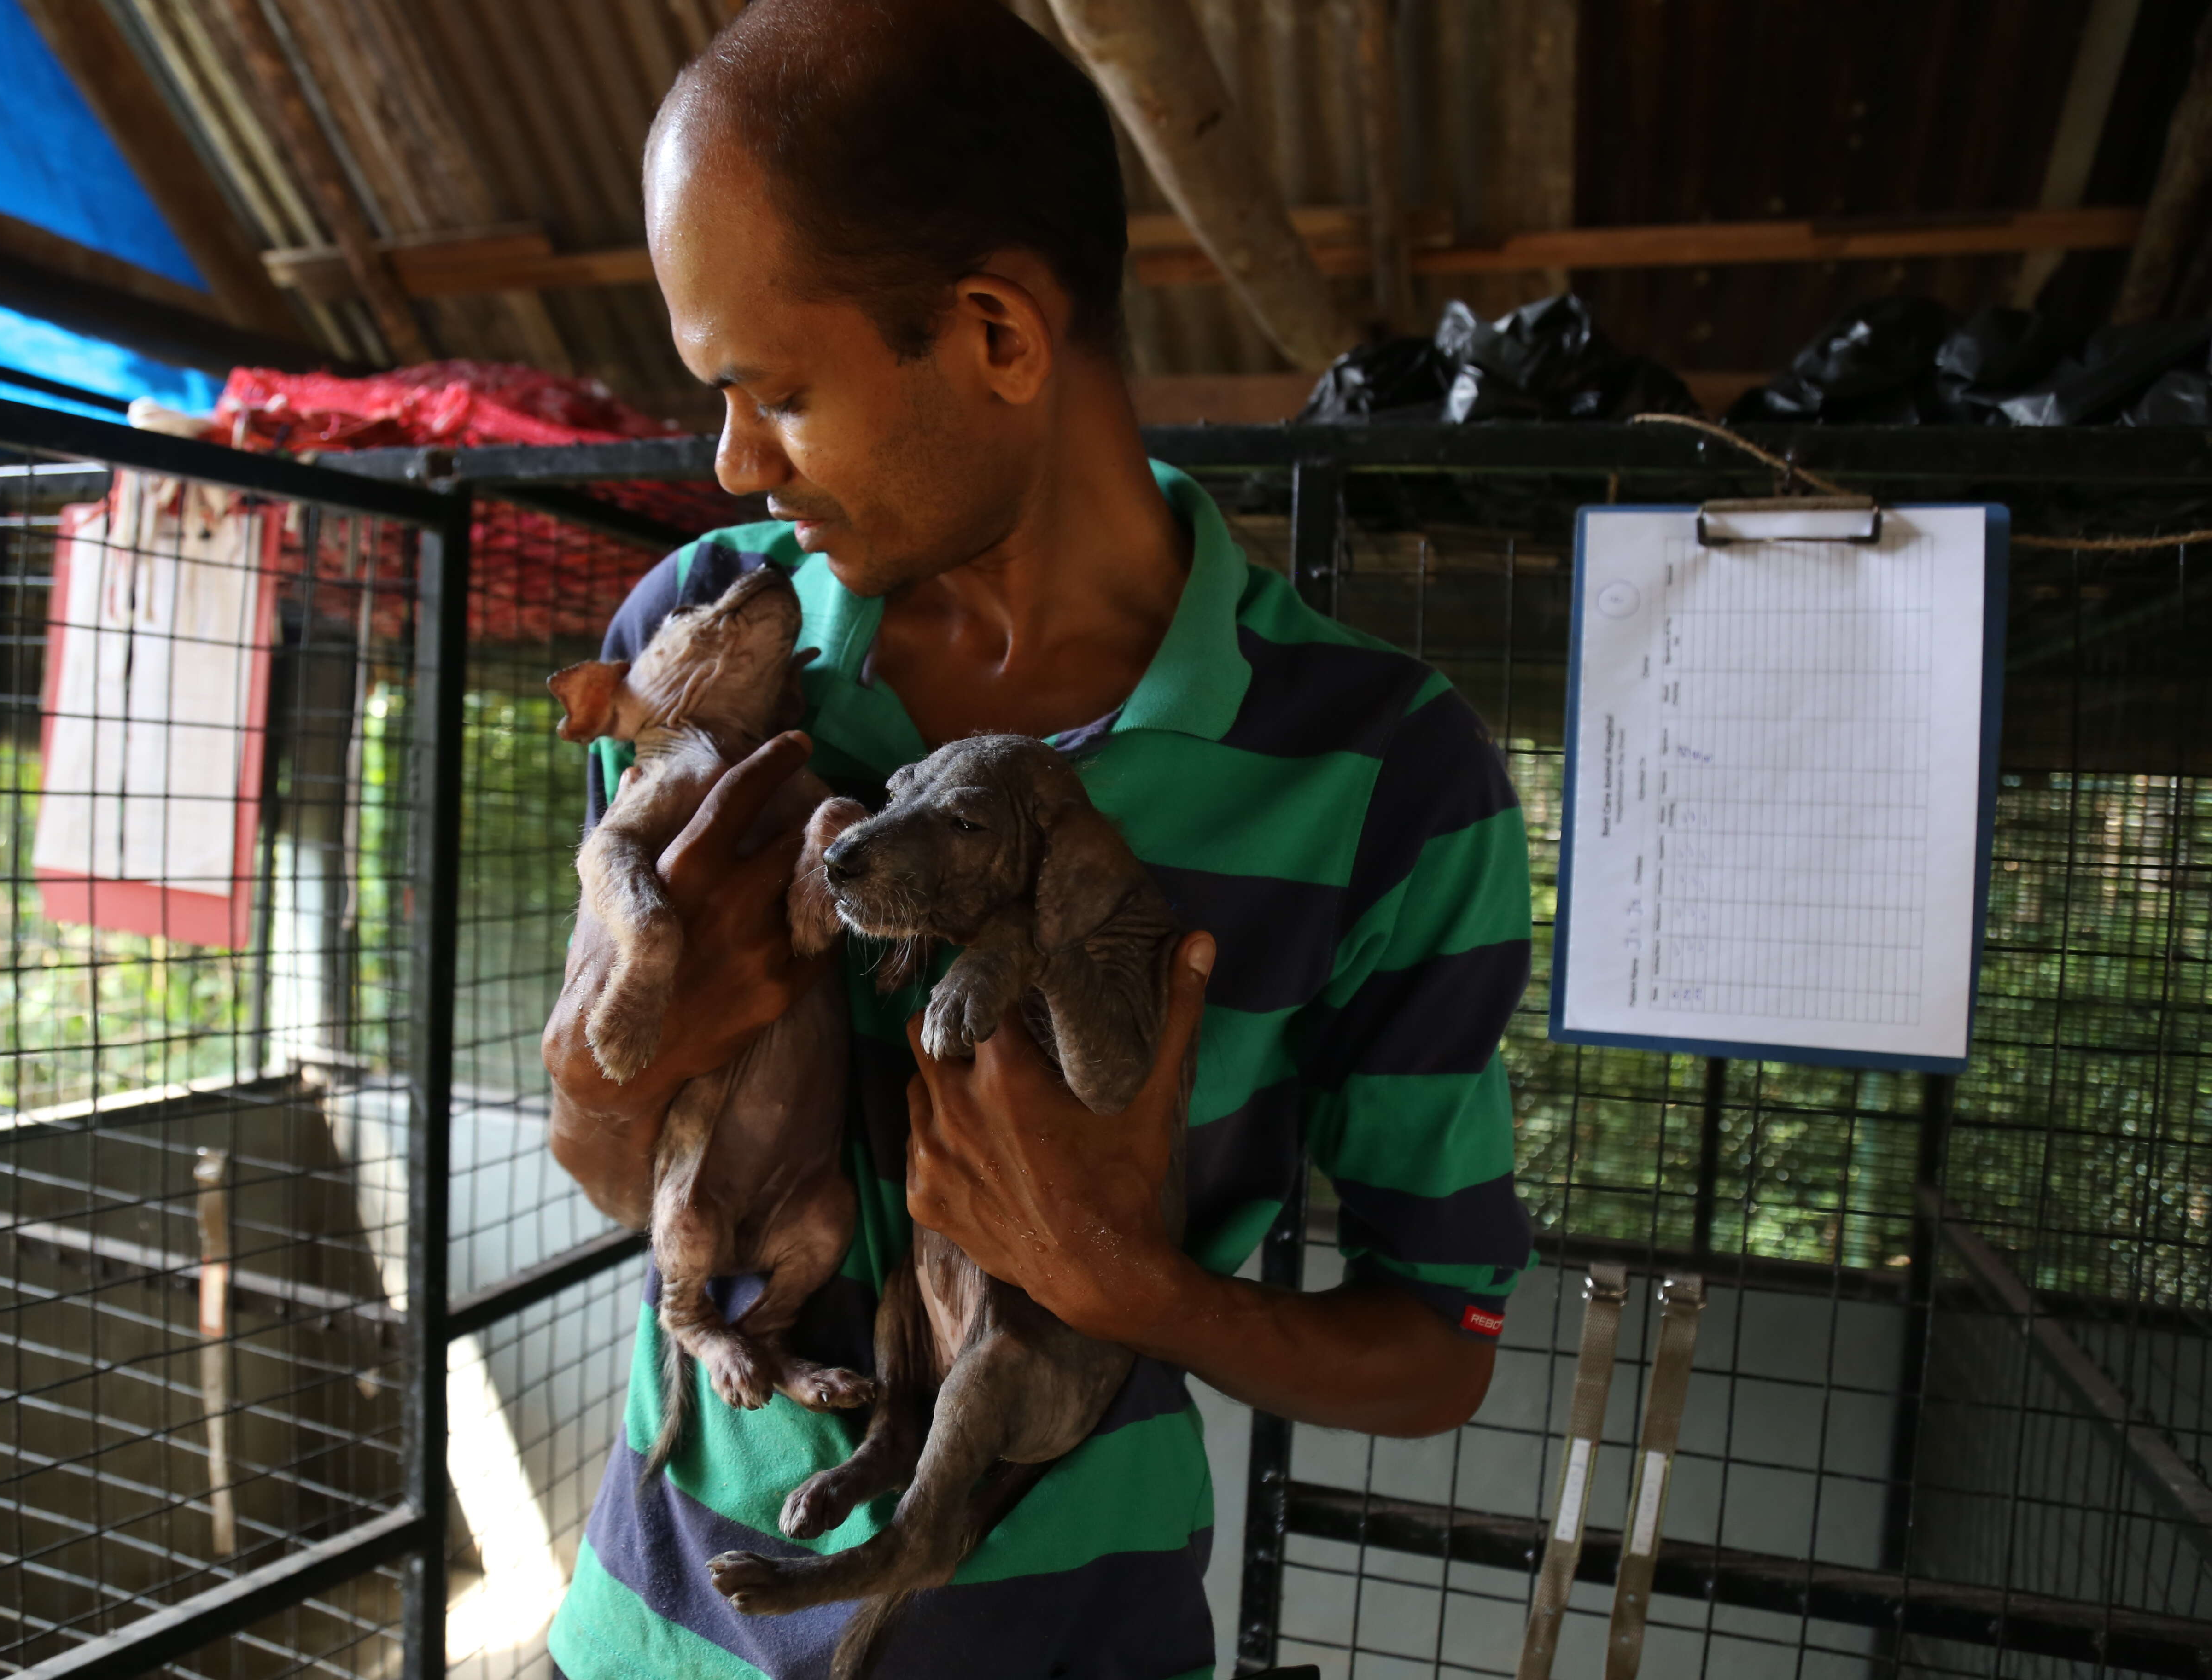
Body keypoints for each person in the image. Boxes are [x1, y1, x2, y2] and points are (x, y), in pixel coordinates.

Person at [539, 2, 1533, 1674]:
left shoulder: (1383, 775)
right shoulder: (710, 629)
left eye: (775, 389)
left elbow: (1440, 1348)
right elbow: (616, 1179)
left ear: (998, 329)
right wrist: (599, 1077)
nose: (728, 459)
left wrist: (1126, 1283)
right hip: (654, 1634)